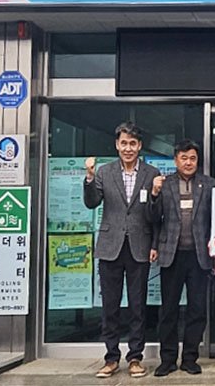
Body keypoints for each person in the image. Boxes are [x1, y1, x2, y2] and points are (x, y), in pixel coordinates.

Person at [83, 122, 162, 379]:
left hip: (140, 246)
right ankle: (111, 358)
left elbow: (156, 216)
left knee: (138, 306)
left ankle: (135, 357)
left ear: (140, 146)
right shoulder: (104, 172)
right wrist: (89, 178)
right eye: (124, 143)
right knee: (110, 306)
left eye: (133, 144)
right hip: (110, 247)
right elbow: (91, 202)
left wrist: (154, 244)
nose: (128, 148)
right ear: (117, 145)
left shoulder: (151, 173)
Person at [149, 140, 215, 377]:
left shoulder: (208, 184)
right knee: (169, 310)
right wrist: (154, 194)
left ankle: (190, 358)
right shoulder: (164, 184)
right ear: (175, 159)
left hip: (199, 256)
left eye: (193, 158)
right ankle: (167, 359)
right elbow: (153, 219)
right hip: (172, 255)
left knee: (197, 309)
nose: (188, 162)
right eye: (184, 158)